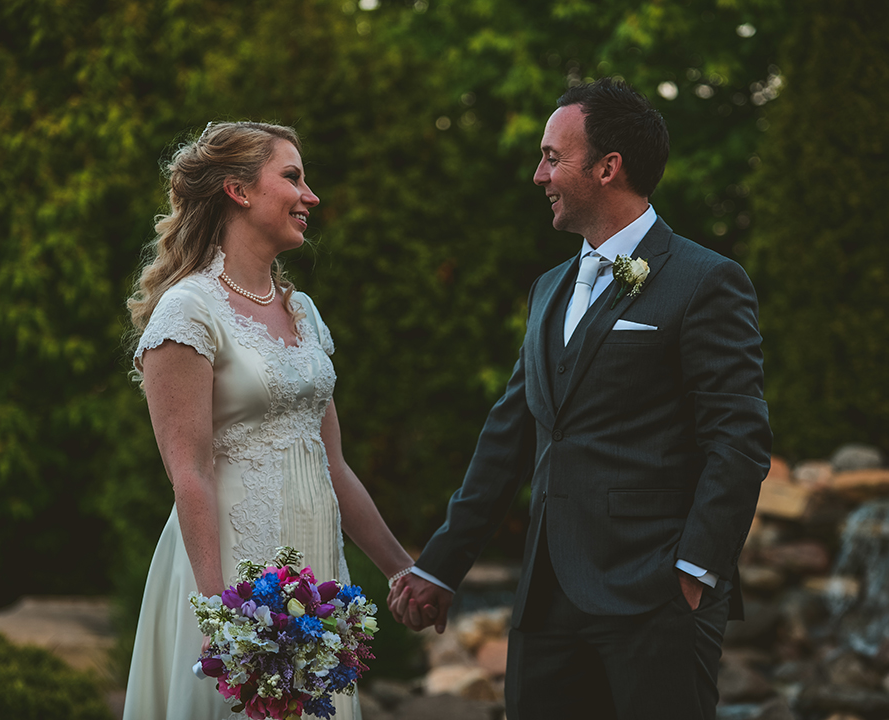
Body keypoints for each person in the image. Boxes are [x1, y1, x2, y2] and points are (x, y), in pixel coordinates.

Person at [389, 79, 773, 719]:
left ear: (606, 167)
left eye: (550, 157)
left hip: (656, 595)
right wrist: (440, 567)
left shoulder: (707, 281)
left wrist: (694, 573)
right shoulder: (548, 289)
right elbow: (508, 438)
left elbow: (739, 439)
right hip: (546, 600)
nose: (539, 174)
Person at [122, 121, 414, 720]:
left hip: (313, 570)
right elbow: (190, 472)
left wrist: (405, 571)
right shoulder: (188, 309)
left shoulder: (303, 313)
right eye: (292, 177)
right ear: (239, 190)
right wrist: (218, 614)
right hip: (232, 576)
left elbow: (333, 464)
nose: (310, 196)